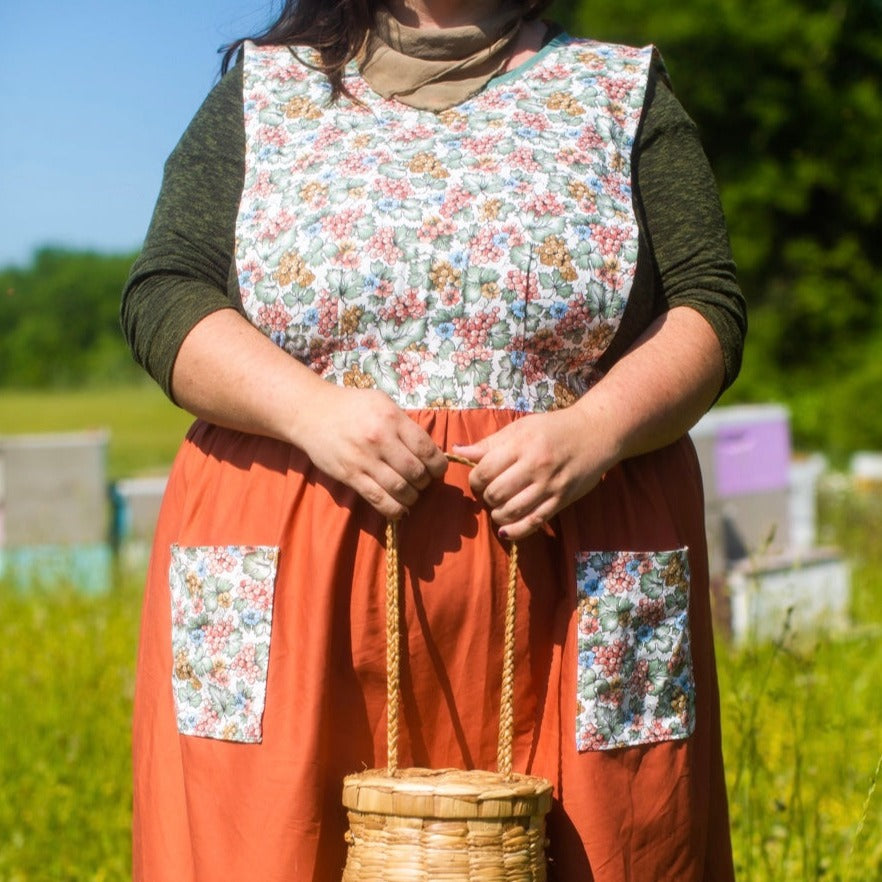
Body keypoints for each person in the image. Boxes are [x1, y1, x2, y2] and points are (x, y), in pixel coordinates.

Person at [121, 0, 746, 879]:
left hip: (569, 579)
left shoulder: (616, 90)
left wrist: (592, 430)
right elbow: (165, 293)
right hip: (297, 588)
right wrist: (312, 411)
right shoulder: (265, 93)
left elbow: (706, 306)